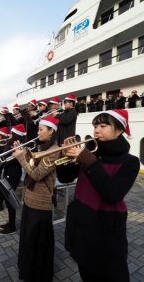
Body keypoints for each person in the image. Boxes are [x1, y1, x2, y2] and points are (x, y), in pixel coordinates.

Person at [57, 109, 140, 282]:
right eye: (95, 125)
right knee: (86, 274)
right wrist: (65, 156)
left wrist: (88, 161)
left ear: (119, 130)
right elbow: (64, 178)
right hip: (81, 228)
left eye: (103, 125)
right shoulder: (91, 153)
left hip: (106, 234)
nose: (96, 130)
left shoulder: (130, 162)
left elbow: (113, 194)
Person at [13, 115, 61, 282]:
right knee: (28, 239)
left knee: (38, 241)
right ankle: (27, 270)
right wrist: (23, 152)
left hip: (41, 203)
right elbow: (31, 162)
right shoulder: (40, 147)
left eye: (41, 129)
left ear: (51, 132)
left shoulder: (54, 151)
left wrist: (20, 158)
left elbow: (35, 174)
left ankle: (39, 274)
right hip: (29, 199)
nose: (38, 132)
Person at [0, 124, 26, 235]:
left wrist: (3, 159)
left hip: (14, 173)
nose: (10, 135)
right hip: (9, 172)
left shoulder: (17, 144)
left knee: (10, 199)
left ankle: (12, 226)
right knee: (7, 198)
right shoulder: (12, 142)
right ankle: (10, 222)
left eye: (12, 133)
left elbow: (13, 160)